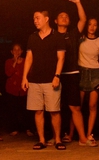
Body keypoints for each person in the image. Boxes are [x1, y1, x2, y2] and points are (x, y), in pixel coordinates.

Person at [21, 10, 66, 150]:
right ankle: (42, 140)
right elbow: (29, 58)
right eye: (34, 18)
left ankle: (58, 139)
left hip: (51, 80)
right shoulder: (32, 37)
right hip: (35, 80)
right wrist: (25, 77)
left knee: (54, 111)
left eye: (38, 18)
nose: (35, 20)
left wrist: (57, 75)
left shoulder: (57, 36)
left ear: (46, 19)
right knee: (38, 111)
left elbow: (61, 58)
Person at [55, 0, 94, 147]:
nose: (64, 18)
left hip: (71, 74)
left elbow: (83, 20)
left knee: (75, 107)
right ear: (55, 21)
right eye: (61, 16)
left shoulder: (73, 34)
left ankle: (82, 138)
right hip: (55, 76)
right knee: (54, 108)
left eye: (66, 16)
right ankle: (56, 137)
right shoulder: (51, 36)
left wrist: (78, 2)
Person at [77, 18, 99, 141]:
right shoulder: (80, 39)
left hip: (95, 74)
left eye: (95, 25)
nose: (92, 27)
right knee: (77, 106)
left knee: (92, 105)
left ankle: (89, 134)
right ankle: (75, 134)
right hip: (82, 72)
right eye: (90, 24)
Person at [4, 43, 27, 136]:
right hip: (11, 89)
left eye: (19, 49)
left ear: (21, 51)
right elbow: (8, 73)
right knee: (13, 110)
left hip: (23, 89)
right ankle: (14, 128)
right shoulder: (8, 61)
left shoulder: (26, 61)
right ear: (11, 51)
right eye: (15, 50)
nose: (17, 51)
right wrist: (15, 62)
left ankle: (27, 128)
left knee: (25, 110)